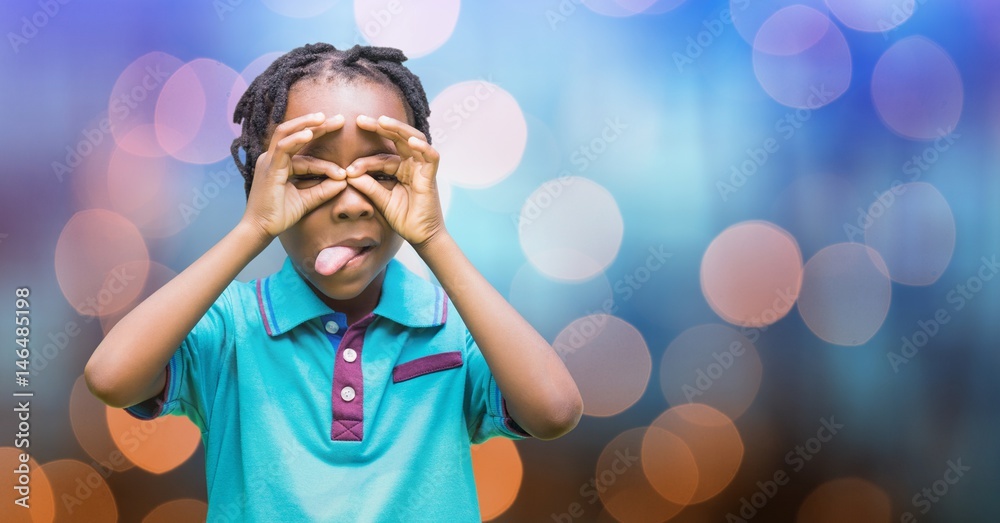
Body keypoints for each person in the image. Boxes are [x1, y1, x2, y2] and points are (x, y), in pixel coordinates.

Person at [85, 43, 583, 521]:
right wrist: (251, 230)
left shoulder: (458, 324)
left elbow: (554, 411)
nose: (351, 203)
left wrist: (433, 239)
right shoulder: (230, 328)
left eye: (382, 174)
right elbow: (112, 377)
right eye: (308, 175)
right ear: (261, 185)